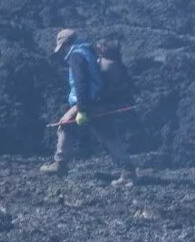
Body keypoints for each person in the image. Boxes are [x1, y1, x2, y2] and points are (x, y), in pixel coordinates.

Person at [40, 29, 137, 183]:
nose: (62, 51)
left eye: (62, 47)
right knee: (109, 136)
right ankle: (128, 172)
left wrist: (82, 109)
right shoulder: (88, 51)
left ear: (66, 44)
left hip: (88, 101)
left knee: (65, 124)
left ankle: (60, 164)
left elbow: (81, 83)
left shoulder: (76, 55)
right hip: (99, 99)